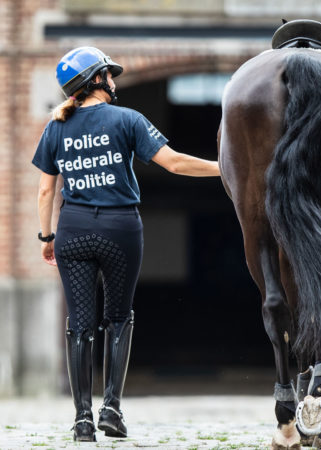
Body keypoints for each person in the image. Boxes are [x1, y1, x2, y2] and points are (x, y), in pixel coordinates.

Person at [32, 47, 220, 442]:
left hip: (73, 230)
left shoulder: (55, 127)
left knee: (79, 325)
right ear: (96, 80)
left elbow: (45, 191)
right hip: (121, 230)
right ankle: (112, 410)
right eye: (109, 75)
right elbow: (175, 163)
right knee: (118, 317)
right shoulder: (128, 119)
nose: (114, 81)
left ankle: (83, 420)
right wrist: (226, 169)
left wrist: (48, 237)